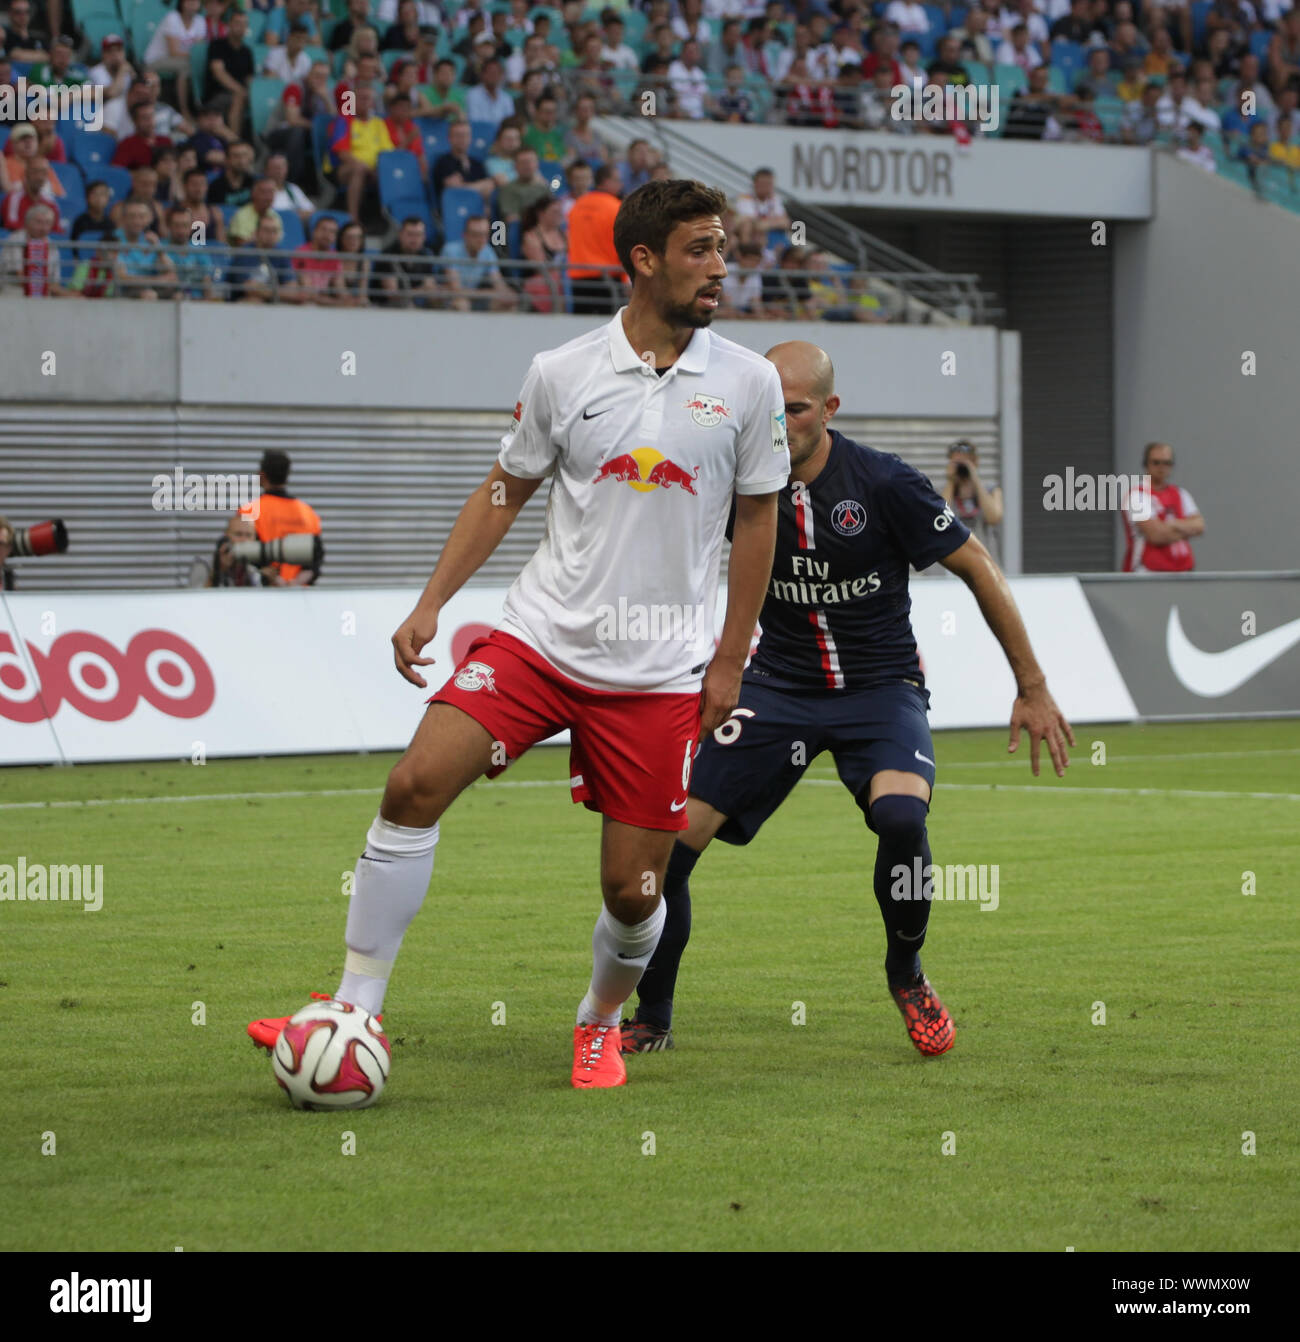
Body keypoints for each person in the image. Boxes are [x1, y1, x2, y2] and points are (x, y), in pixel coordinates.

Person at [247, 177, 790, 1090]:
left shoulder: (749, 381)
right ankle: (354, 1003)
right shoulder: (562, 371)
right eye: (700, 250)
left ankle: (598, 1021)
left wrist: (730, 658)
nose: (719, 267)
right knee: (414, 783)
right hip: (539, 641)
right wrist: (431, 603)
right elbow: (504, 490)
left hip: (658, 671)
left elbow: (761, 522)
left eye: (723, 249)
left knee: (634, 891)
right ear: (644, 260)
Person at [622, 341, 1074, 1056]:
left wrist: (1034, 685)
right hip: (777, 688)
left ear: (829, 410)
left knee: (901, 816)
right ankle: (653, 1010)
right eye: (767, 407)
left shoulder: (885, 483)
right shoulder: (732, 483)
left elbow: (979, 569)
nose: (778, 422)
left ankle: (907, 973)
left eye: (794, 409)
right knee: (669, 846)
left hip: (880, 688)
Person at [238, 449, 322, 585]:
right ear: (287, 475)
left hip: (264, 594)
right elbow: (316, 558)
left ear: (262, 475)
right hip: (300, 595)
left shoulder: (250, 510)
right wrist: (294, 583)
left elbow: (244, 554)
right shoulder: (307, 512)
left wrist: (276, 580)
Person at [1122, 442, 1204, 573]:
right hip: (1147, 571)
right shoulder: (1137, 496)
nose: (1161, 467)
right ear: (1146, 464)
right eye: (1156, 462)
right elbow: (1155, 535)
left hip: (1182, 570)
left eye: (1166, 463)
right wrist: (1185, 529)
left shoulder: (1181, 494)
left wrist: (1172, 524)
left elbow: (1199, 526)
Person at [566, 160, 624, 314]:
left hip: (578, 276)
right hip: (608, 277)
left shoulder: (577, 205)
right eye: (617, 180)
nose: (621, 184)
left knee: (583, 331)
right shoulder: (616, 208)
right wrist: (627, 279)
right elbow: (623, 244)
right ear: (605, 182)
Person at [143, 0, 207, 120]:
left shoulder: (200, 20)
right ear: (182, 3)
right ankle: (184, 110)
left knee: (194, 66)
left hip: (181, 61)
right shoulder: (172, 18)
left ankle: (200, 105)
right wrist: (194, 57)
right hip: (155, 60)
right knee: (186, 67)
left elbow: (198, 49)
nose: (193, 3)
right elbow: (174, 52)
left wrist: (195, 57)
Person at [942, 440, 1003, 564]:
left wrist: (975, 478)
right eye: (957, 463)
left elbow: (994, 518)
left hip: (986, 562)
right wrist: (951, 481)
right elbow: (940, 517)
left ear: (975, 462)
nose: (962, 468)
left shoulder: (991, 490)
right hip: (953, 564)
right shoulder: (943, 493)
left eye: (965, 462)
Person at [440, 212, 515, 311]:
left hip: (473, 298)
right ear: (465, 235)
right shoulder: (451, 250)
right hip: (446, 299)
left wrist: (508, 294)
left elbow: (499, 285)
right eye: (476, 235)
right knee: (462, 304)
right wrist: (490, 293)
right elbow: (456, 290)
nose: (481, 240)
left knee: (507, 305)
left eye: (485, 235)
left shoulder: (488, 251)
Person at [1, 202, 71, 296]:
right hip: (15, 289)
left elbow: (55, 282)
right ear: (27, 222)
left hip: (45, 291)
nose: (44, 228)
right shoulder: (15, 240)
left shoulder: (52, 245)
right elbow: (21, 276)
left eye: (48, 223)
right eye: (39, 222)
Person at [373, 214, 441, 307]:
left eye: (418, 235)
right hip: (386, 308)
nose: (414, 239)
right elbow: (393, 295)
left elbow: (431, 288)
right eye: (410, 234)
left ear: (424, 237)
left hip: (417, 306)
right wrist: (422, 290)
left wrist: (424, 291)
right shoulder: (387, 255)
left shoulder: (426, 255)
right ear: (400, 234)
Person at [112, 199, 176, 299]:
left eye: (141, 216)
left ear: (149, 219)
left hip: (152, 287)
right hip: (123, 291)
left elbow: (172, 275)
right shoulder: (114, 240)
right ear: (123, 219)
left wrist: (159, 250)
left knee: (178, 295)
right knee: (149, 295)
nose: (137, 221)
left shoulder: (152, 240)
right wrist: (158, 280)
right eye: (132, 216)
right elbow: (122, 278)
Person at [293, 213, 349, 305]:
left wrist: (350, 300)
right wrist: (338, 303)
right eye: (323, 230)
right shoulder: (301, 253)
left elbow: (341, 288)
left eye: (332, 232)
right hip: (302, 305)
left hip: (324, 303)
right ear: (314, 231)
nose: (327, 235)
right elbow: (309, 293)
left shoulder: (335, 256)